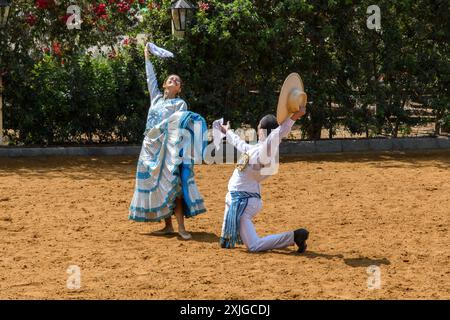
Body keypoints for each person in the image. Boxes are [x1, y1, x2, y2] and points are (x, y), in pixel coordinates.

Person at [129, 44, 206, 240]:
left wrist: (160, 127)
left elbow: (176, 120)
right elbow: (150, 79)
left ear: (179, 88)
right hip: (149, 146)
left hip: (168, 147)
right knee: (156, 184)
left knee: (174, 184)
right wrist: (147, 57)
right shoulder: (156, 99)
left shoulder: (180, 104)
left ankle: (181, 227)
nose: (174, 80)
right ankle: (168, 225)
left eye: (177, 81)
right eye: (171, 79)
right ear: (165, 85)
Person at [218, 110, 309, 252]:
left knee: (254, 246)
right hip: (240, 198)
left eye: (259, 127)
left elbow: (278, 133)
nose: (257, 129)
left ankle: (293, 236)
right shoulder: (258, 149)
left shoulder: (265, 150)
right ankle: (227, 236)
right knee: (226, 240)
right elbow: (241, 145)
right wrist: (227, 132)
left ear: (262, 130)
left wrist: (294, 117)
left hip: (243, 201)